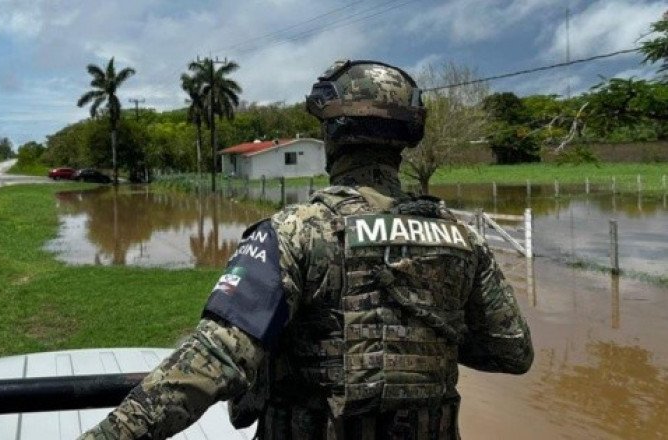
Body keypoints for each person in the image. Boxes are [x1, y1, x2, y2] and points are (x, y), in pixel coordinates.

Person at [79, 59, 533, 440]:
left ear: (333, 135)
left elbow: (213, 361)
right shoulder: (461, 238)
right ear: (405, 140)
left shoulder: (296, 231)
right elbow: (512, 351)